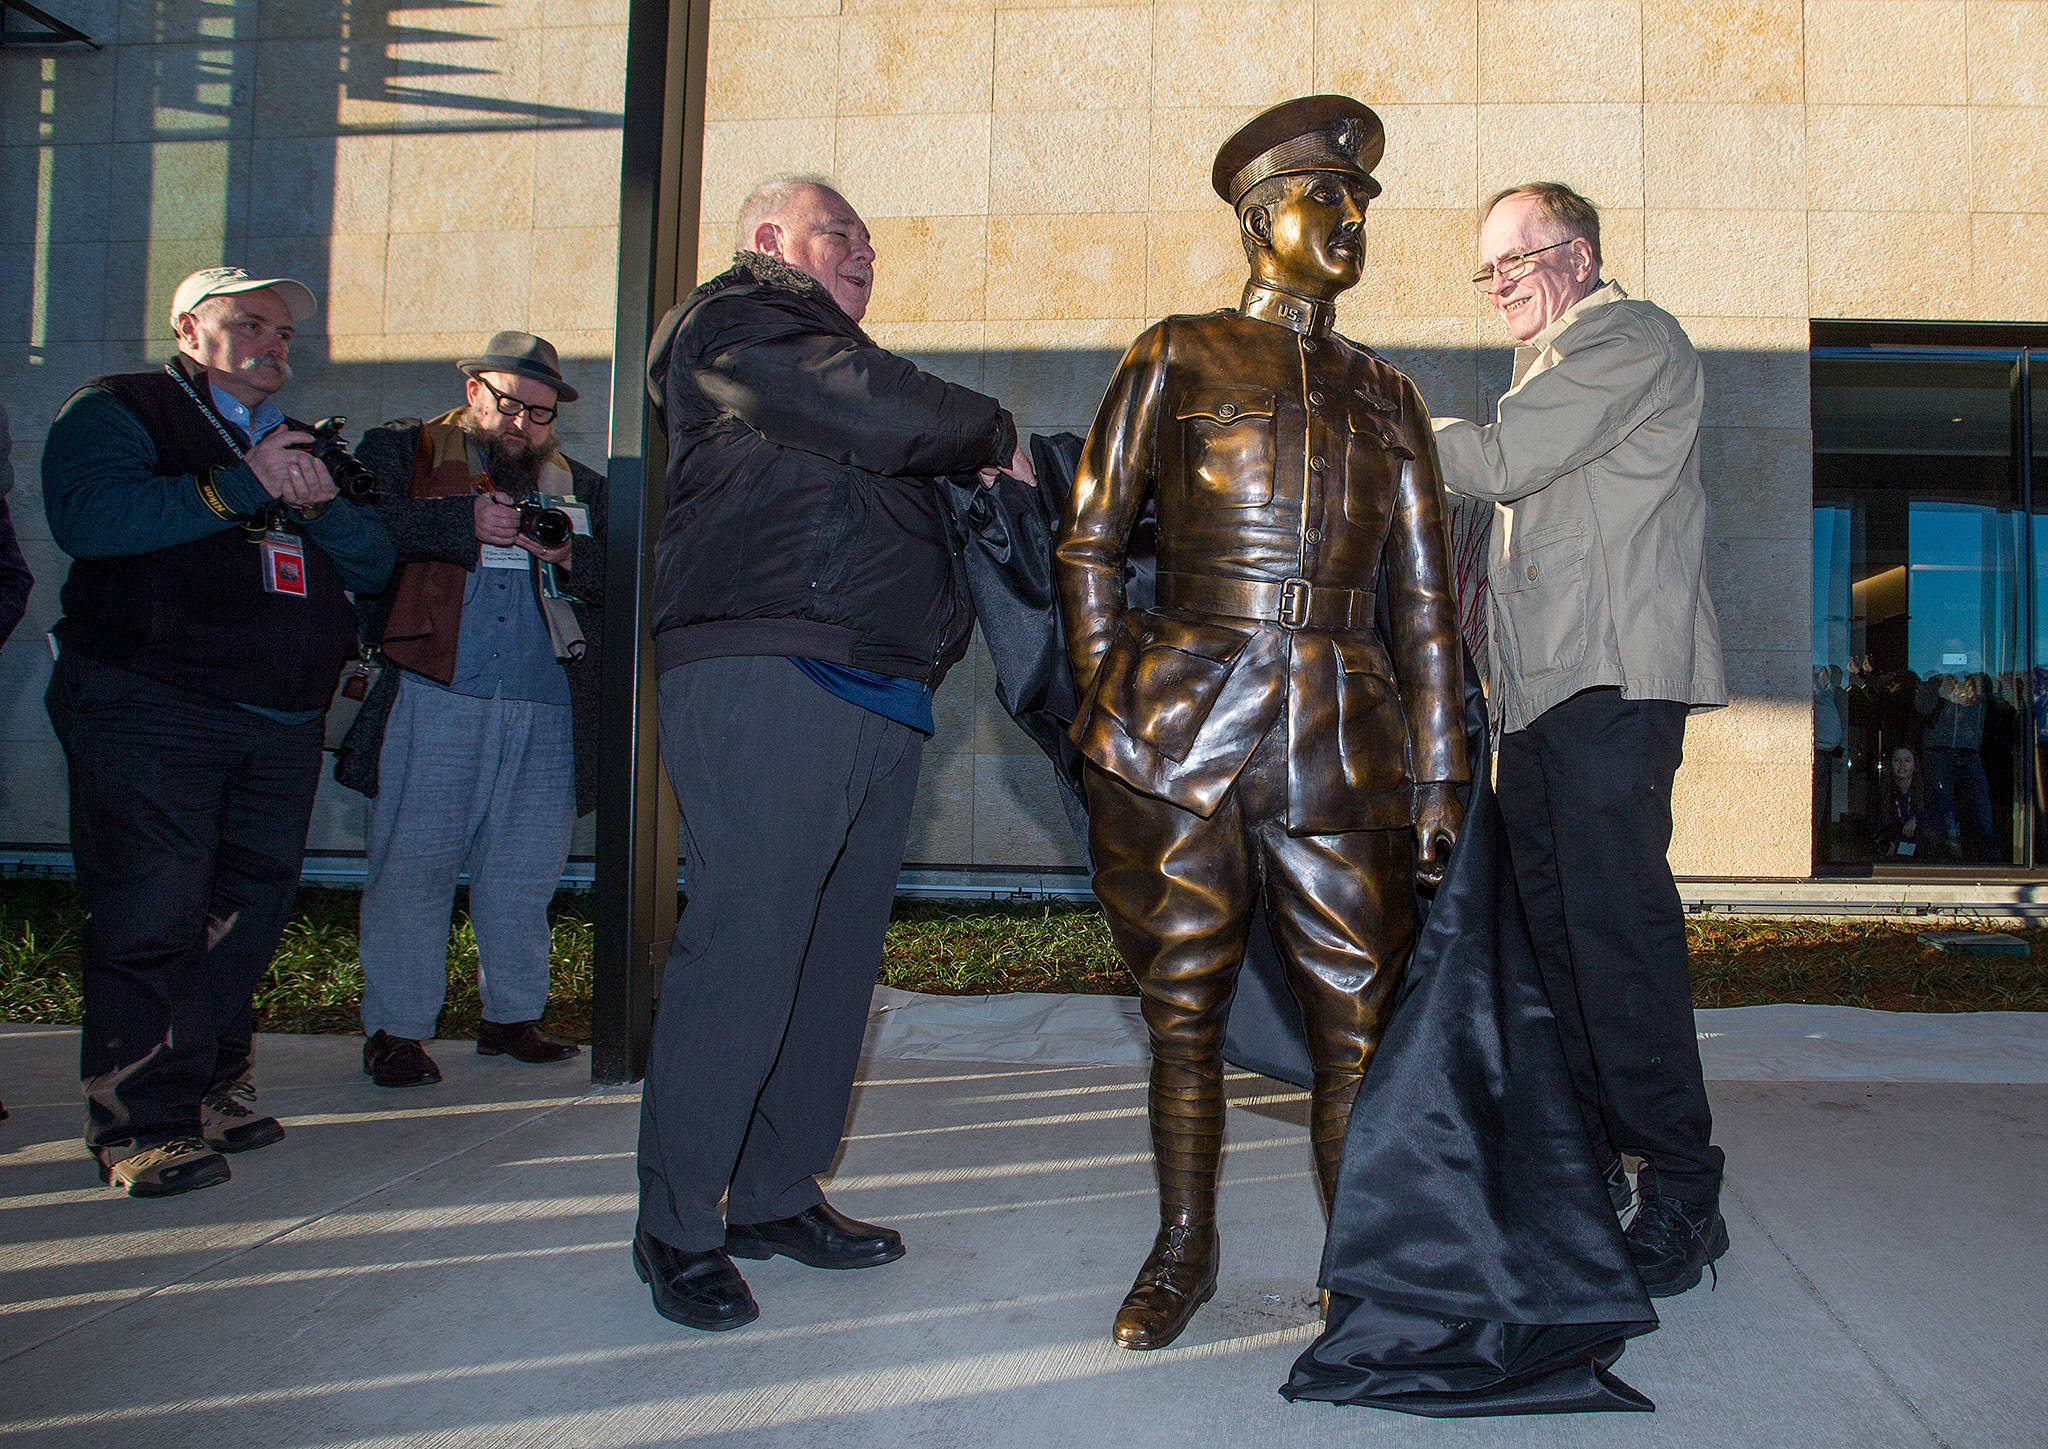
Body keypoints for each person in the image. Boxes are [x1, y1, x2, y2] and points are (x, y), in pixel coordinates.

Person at [1055, 97, 1468, 1352]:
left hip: (1343, 733)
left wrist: (1442, 779)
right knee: (1182, 1008)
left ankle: (1359, 1269)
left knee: (1358, 1014)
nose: (1348, 222)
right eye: (1325, 200)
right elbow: (1088, 542)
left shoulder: (1385, 394)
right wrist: (1106, 701)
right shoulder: (1174, 354)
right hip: (1180, 725)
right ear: (1259, 218)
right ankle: (1184, 1245)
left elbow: (1428, 609)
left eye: (1360, 206)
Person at [635, 176, 1034, 1331]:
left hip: (880, 683)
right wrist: (992, 430)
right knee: (749, 941)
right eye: (837, 232)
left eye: (868, 237)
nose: (863, 249)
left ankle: (771, 1190)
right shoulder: (740, 322)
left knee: (830, 959)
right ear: (770, 242)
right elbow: (876, 409)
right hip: (771, 660)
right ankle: (675, 1224)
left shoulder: (843, 368)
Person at [1431, 182, 1730, 1295]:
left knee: (1614, 940)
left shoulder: (1626, 339)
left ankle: (1682, 1192)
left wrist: (1364, 417)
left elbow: (1503, 463)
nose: (1502, 278)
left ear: (1580, 252)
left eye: (1520, 255)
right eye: (1488, 268)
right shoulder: (1542, 379)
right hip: (1539, 708)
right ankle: (1598, 1167)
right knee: (1550, 946)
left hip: (1608, 695)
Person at [41, 267, 394, 1196]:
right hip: (152, 703)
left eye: (283, 332)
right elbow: (89, 518)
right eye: (251, 323)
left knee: (248, 910)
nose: (275, 342)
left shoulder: (295, 441)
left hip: (278, 720)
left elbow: (372, 558)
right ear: (187, 328)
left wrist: (315, 501)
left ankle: (206, 1087)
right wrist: (240, 484)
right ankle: (141, 1127)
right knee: (152, 907)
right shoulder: (120, 409)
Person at [337, 332, 603, 1087]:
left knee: (524, 871)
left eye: (540, 413)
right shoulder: (401, 453)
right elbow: (359, 535)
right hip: (434, 686)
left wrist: (570, 557)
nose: (521, 423)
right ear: (473, 389)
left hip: (547, 699)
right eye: (508, 402)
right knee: (413, 865)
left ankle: (512, 1014)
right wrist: (461, 526)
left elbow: (624, 574)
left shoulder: (575, 485)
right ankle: (397, 1028)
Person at [1873, 745, 1943, 859]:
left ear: (1915, 765)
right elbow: (1876, 825)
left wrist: (1919, 819)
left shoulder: (1928, 790)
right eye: (1897, 760)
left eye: (1907, 760)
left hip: (1924, 853)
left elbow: (1941, 813)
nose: (1902, 765)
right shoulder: (1882, 793)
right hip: (1894, 852)